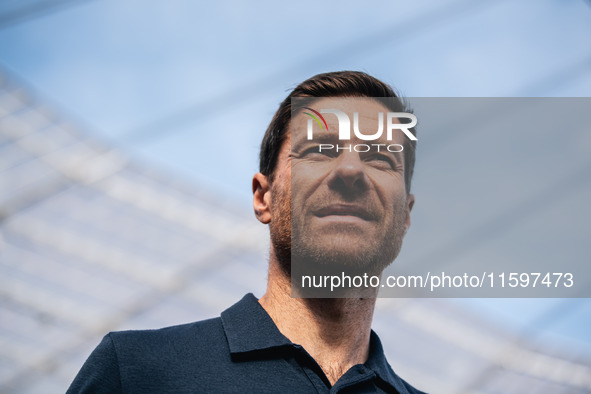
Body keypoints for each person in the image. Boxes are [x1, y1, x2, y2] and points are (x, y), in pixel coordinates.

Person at [67, 71, 425, 393]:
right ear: (263, 197)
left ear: (405, 216)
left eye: (380, 157)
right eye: (319, 150)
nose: (351, 170)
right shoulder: (135, 373)